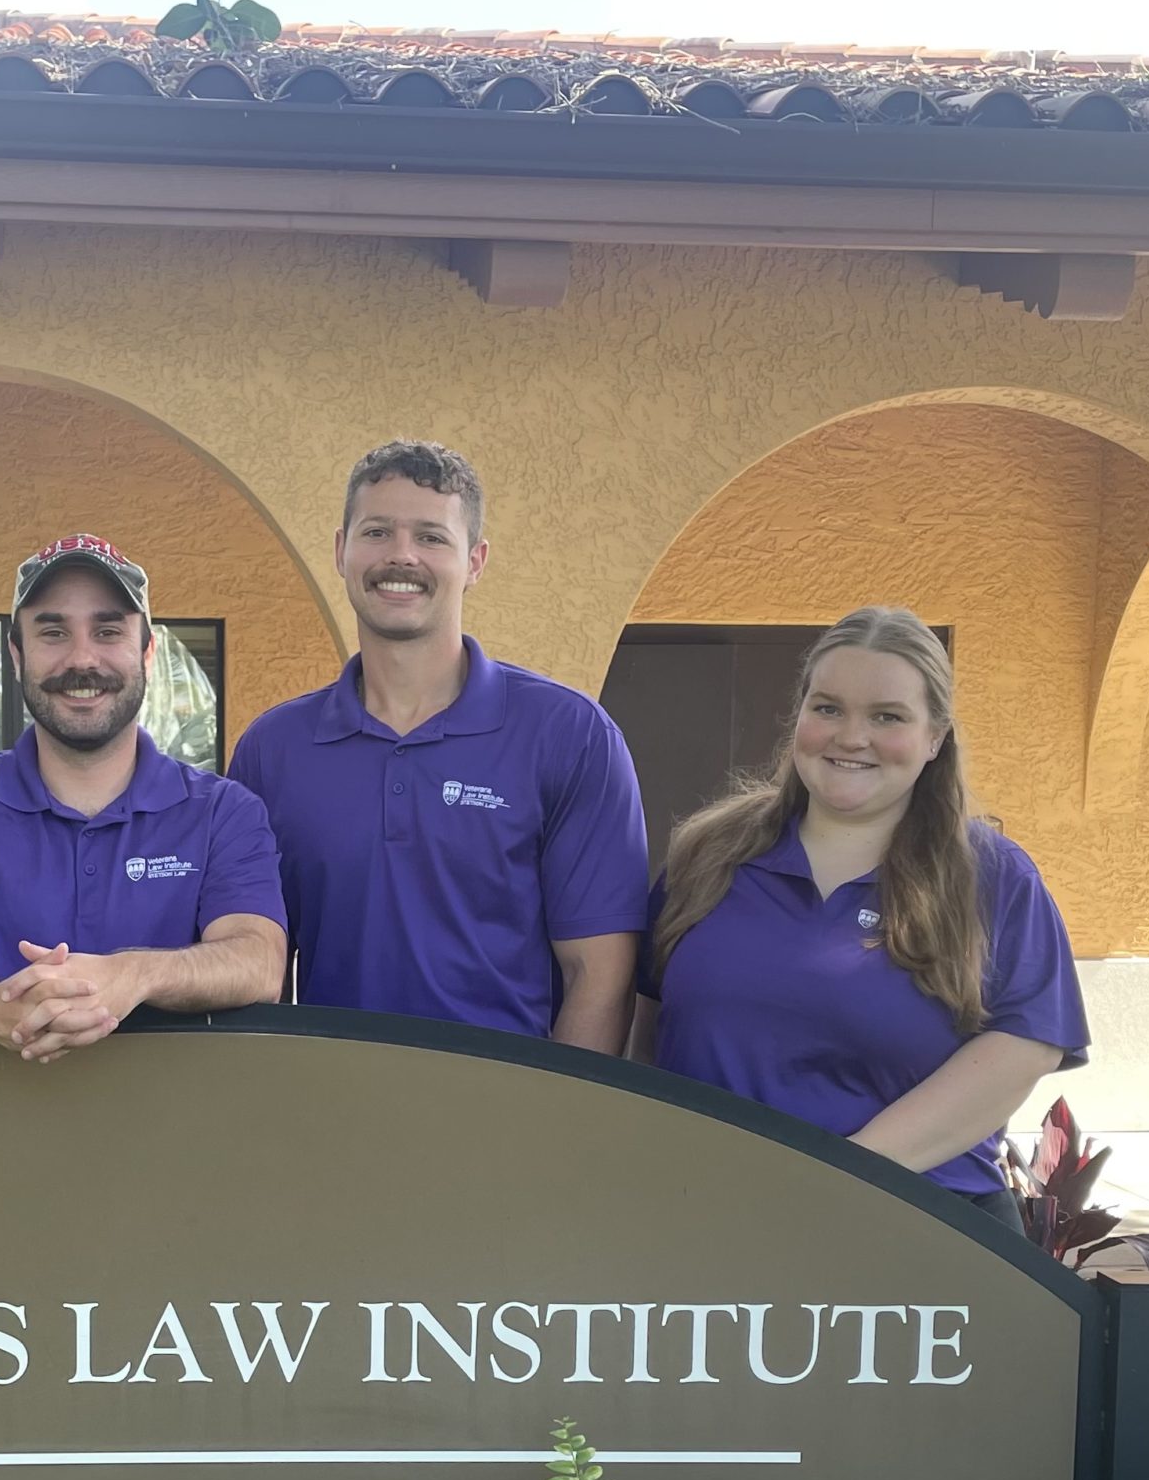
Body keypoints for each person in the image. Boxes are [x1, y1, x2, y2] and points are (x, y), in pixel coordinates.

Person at [634, 606, 1087, 1223]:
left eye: (888, 717)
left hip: (921, 1228)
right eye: (828, 708)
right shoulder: (708, 855)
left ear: (935, 737)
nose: (851, 737)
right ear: (798, 717)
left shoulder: (993, 877)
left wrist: (831, 1180)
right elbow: (646, 1024)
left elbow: (1023, 1047)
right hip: (707, 1217)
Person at [228, 439, 647, 1052]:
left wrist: (557, 1135)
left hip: (505, 1122)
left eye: (430, 537)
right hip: (329, 1116)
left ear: (474, 561)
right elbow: (252, 960)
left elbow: (601, 976)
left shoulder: (571, 735)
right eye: (377, 532)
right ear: (341, 551)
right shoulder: (274, 750)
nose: (401, 556)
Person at [0, 535, 287, 1061]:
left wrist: (129, 976)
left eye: (108, 630)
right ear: (16, 654)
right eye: (53, 632)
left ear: (147, 652)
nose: (82, 658)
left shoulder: (223, 811)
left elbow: (258, 961)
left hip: (183, 1130)